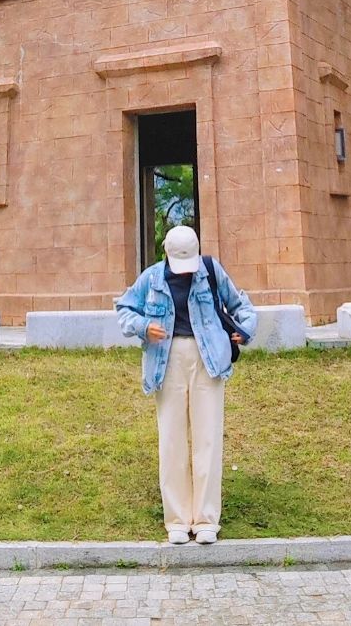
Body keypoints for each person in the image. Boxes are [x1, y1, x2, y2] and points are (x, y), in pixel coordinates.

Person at [115, 224, 257, 545]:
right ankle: (177, 520)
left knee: (208, 439)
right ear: (166, 252)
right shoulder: (152, 278)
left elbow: (241, 305)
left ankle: (207, 519)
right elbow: (124, 307)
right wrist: (143, 325)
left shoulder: (209, 270)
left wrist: (245, 329)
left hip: (208, 359)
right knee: (172, 440)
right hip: (166, 361)